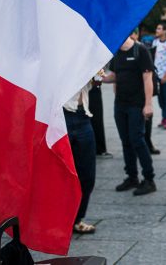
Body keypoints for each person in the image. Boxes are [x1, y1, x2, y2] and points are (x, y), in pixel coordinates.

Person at [105, 35, 156, 196]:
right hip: (120, 104)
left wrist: (148, 104)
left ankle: (149, 179)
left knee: (137, 140)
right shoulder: (116, 52)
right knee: (126, 141)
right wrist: (96, 78)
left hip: (137, 104)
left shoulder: (140, 50)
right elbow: (114, 76)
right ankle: (132, 177)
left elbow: (148, 79)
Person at [63, 81, 97, 234]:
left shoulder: (85, 58)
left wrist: (96, 75)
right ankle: (60, 220)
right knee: (60, 174)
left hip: (83, 115)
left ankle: (77, 218)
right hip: (62, 116)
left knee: (87, 175)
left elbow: (96, 81)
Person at [88, 70, 111, 159]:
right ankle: (97, 148)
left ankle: (99, 148)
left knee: (97, 118)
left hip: (94, 85)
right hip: (86, 85)